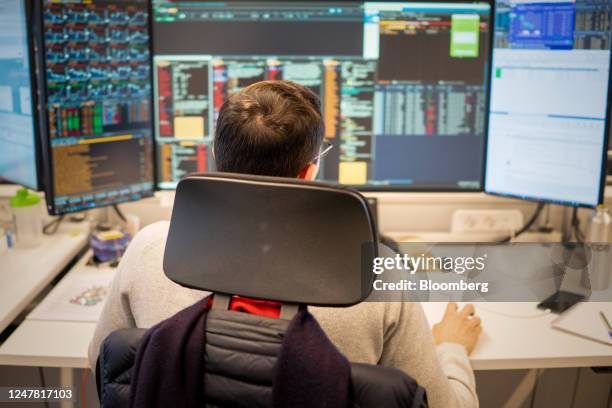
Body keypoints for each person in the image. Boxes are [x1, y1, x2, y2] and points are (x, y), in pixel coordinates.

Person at [89, 80, 482, 408]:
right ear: (309, 171)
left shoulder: (149, 247)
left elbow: (104, 370)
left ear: (216, 157)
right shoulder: (374, 271)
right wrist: (452, 350)